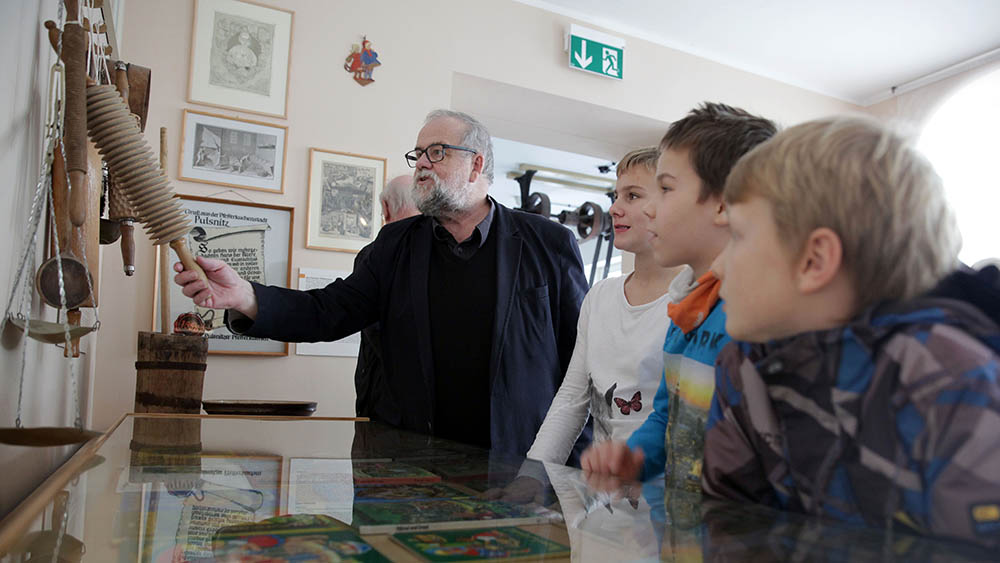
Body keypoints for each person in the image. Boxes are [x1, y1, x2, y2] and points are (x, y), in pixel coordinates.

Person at [174, 109, 590, 459]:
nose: (421, 164)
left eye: (437, 152)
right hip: (413, 469)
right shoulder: (395, 244)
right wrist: (245, 295)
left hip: (518, 468)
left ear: (476, 165)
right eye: (418, 154)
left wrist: (572, 470)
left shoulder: (549, 244)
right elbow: (329, 311)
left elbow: (583, 365)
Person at [701, 116, 1000, 548]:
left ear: (815, 261)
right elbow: (730, 526)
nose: (717, 267)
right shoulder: (743, 364)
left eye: (738, 235)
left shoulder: (952, 380)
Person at [579, 103, 777, 492]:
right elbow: (668, 418)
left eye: (666, 189)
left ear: (723, 204)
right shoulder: (687, 308)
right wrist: (634, 457)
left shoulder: (763, 316)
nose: (650, 209)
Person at [496, 147, 684, 502]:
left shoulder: (691, 300)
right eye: (616, 196)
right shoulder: (600, 297)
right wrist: (533, 476)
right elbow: (572, 399)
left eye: (632, 196)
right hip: (601, 499)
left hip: (664, 501)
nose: (615, 208)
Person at [354, 174, 420, 418]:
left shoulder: (374, 255)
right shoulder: (438, 253)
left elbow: (375, 328)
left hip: (383, 400)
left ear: (386, 208)